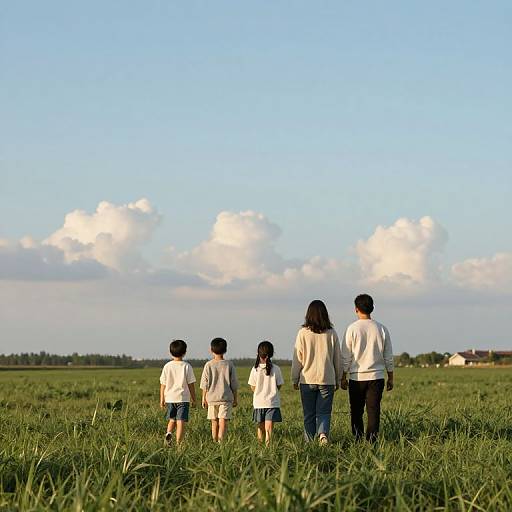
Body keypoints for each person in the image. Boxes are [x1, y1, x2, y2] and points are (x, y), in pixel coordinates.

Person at [340, 294, 394, 442]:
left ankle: (357, 439)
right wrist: (391, 377)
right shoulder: (381, 329)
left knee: (356, 411)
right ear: (372, 308)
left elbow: (346, 356)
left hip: (356, 377)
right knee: (373, 411)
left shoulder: (351, 329)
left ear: (356, 309)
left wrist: (343, 376)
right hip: (376, 377)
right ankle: (372, 442)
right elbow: (388, 356)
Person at [291, 300, 342, 444]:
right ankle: (323, 435)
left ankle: (309, 442)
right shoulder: (332, 333)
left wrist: (295, 379)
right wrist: (338, 379)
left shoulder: (302, 333)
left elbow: (297, 359)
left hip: (307, 379)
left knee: (309, 414)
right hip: (327, 379)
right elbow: (337, 358)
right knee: (324, 412)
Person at [200, 337, 239, 442]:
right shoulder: (229, 364)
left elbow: (205, 384)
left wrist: (203, 398)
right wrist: (235, 398)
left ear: (211, 350)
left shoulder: (208, 365)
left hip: (211, 399)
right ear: (225, 350)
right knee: (223, 421)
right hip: (226, 398)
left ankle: (214, 440)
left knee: (214, 422)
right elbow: (234, 384)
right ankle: (221, 443)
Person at [159, 339, 196, 445]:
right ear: (185, 352)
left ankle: (169, 433)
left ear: (170, 352)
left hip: (170, 398)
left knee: (172, 420)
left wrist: (162, 399)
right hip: (183, 399)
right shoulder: (187, 366)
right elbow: (191, 385)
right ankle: (179, 443)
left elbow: (163, 384)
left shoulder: (167, 366)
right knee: (181, 421)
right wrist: (194, 399)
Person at [248, 341, 284, 446]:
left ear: (258, 353)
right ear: (271, 353)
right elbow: (279, 385)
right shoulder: (276, 369)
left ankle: (260, 445)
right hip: (272, 402)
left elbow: (252, 386)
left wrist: (260, 392)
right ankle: (268, 446)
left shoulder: (255, 369)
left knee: (260, 427)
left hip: (259, 403)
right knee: (269, 428)